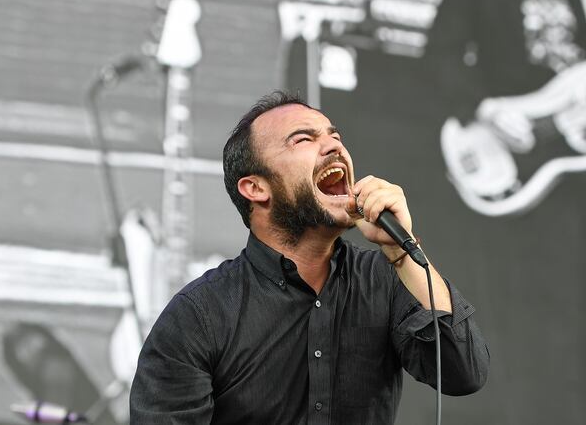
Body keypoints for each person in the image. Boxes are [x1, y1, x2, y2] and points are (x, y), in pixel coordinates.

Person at [129, 91, 489, 424]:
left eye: (335, 136)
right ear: (255, 188)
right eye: (303, 139)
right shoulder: (198, 317)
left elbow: (464, 372)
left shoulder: (387, 278)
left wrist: (401, 249)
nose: (333, 146)